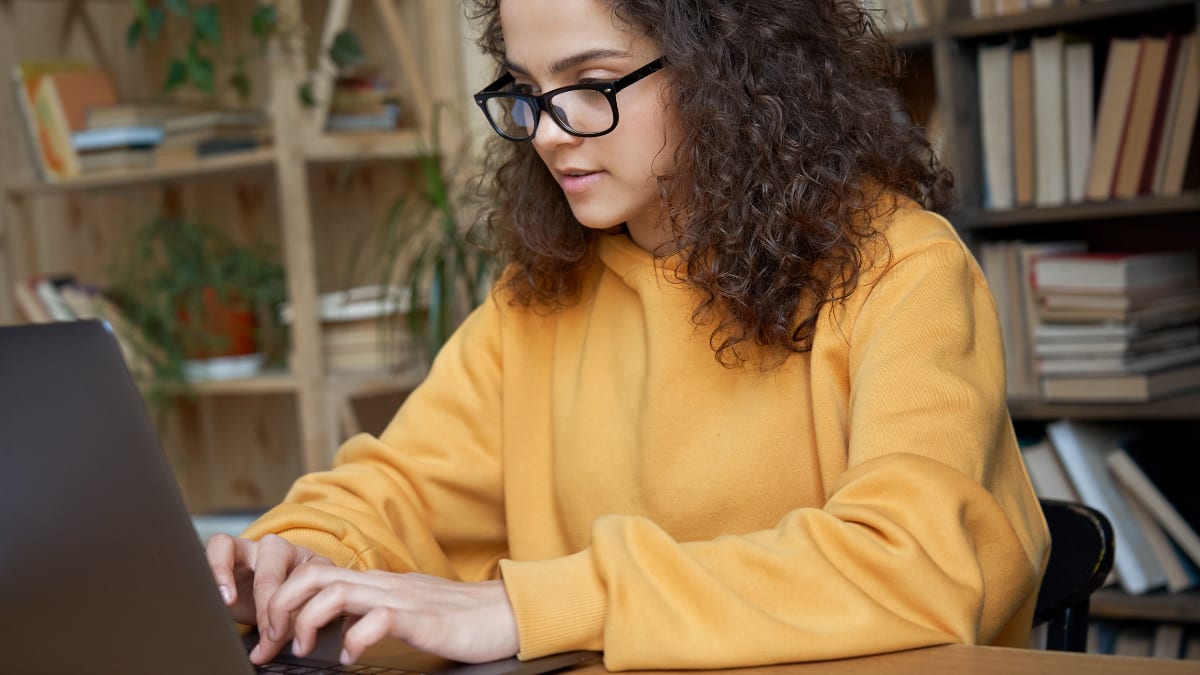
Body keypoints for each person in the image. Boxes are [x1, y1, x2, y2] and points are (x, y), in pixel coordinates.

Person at [206, 0, 1050, 670]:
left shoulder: (903, 270)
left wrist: (525, 607)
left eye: (592, 83)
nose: (546, 129)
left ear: (731, 73)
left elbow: (913, 568)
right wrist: (293, 562)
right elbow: (399, 492)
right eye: (527, 89)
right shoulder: (536, 299)